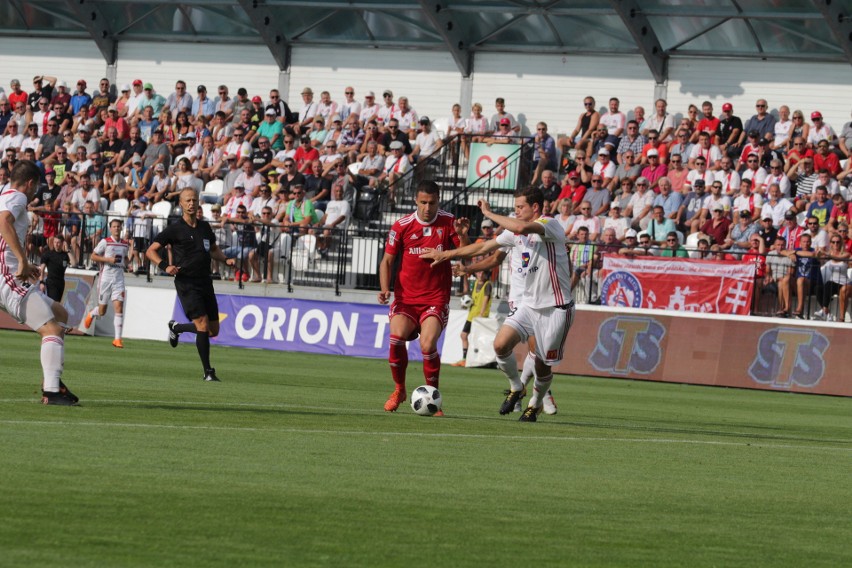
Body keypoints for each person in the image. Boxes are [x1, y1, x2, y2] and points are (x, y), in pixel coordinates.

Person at [422, 186, 573, 422]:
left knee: (543, 365)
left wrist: (489, 214)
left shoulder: (549, 224)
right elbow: (484, 247)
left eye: (519, 207)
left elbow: (521, 226)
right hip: (529, 306)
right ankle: (517, 387)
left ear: (535, 208)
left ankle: (536, 403)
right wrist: (446, 255)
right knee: (500, 344)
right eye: (514, 208)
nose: (516, 212)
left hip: (556, 308)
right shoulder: (514, 234)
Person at [377, 180, 469, 415]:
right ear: (415, 201)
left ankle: (433, 397)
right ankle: (399, 389)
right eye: (423, 202)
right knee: (396, 338)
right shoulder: (401, 226)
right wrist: (384, 288)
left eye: (432, 202)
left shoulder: (449, 222)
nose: (428, 207)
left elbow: (465, 256)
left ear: (439, 200)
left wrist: (463, 236)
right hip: (406, 298)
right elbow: (387, 260)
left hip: (435, 299)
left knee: (427, 345)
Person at [0, 161, 78, 404]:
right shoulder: (19, 197)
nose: (35, 194)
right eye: (36, 188)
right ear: (31, 183)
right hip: (8, 276)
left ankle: (51, 380)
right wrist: (22, 260)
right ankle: (52, 391)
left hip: (11, 272)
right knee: (52, 329)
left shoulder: (4, 192)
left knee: (60, 313)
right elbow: (3, 222)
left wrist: (24, 262)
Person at [146, 188, 237, 382]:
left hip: (206, 282)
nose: (191, 203)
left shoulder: (204, 227)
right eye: (187, 200)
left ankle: (177, 328)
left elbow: (213, 249)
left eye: (194, 200)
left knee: (212, 331)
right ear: (180, 204)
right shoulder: (174, 229)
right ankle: (208, 372)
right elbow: (151, 251)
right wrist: (165, 265)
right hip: (187, 282)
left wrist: (225, 259)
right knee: (202, 324)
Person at [83, 218, 129, 348]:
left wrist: (127, 263)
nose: (116, 228)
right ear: (110, 228)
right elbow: (93, 256)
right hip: (106, 278)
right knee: (102, 311)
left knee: (119, 307)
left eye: (118, 226)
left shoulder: (125, 244)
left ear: (121, 228)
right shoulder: (105, 242)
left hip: (119, 278)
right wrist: (108, 259)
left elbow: (125, 258)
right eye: (114, 226)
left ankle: (117, 339)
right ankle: (92, 313)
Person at [454, 270, 492, 366]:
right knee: (463, 335)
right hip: (471, 316)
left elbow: (485, 299)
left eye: (483, 273)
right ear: (475, 274)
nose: (480, 274)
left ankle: (482, 361)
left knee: (479, 339)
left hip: (480, 317)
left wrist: (482, 313)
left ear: (485, 275)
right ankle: (465, 359)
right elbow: (470, 296)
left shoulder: (487, 285)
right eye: (479, 273)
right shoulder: (475, 283)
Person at [39, 235, 69, 302]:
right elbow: (42, 268)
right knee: (53, 303)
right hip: (51, 282)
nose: (56, 244)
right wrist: (41, 282)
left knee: (57, 303)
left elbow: (73, 263)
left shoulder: (65, 255)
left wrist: (67, 250)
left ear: (62, 243)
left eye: (58, 242)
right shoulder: (48, 254)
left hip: (61, 283)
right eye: (55, 242)